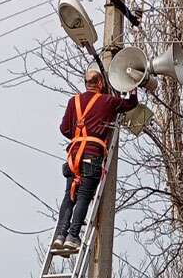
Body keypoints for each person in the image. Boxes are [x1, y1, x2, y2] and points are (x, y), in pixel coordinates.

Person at [53, 67, 138, 253]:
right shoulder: (107, 101)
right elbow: (131, 104)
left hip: (73, 157)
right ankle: (72, 236)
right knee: (83, 195)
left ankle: (60, 234)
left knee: (70, 196)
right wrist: (133, 83)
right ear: (100, 83)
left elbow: (64, 129)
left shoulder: (73, 101)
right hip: (92, 156)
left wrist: (80, 134)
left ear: (86, 83)